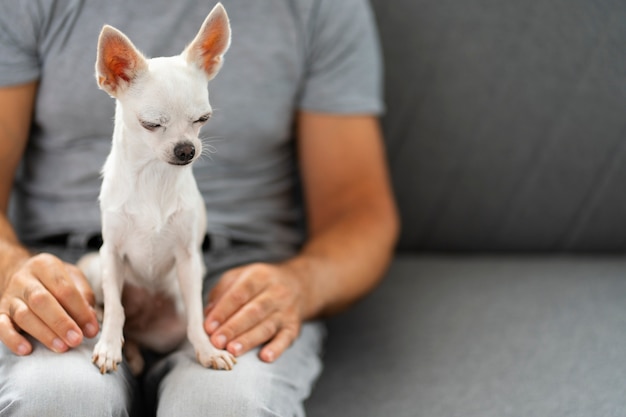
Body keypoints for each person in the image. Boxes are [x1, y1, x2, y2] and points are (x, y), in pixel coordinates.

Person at [0, 0, 398, 416]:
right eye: (155, 124)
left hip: (236, 281)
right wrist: (11, 268)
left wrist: (300, 284)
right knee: (56, 401)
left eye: (201, 121)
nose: (187, 145)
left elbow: (358, 212)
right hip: (76, 276)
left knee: (223, 407)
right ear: (111, 73)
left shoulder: (316, 8)